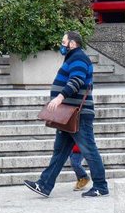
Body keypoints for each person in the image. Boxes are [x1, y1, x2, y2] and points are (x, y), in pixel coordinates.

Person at [24, 30, 109, 198]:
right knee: (60, 152)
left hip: (78, 114)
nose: (61, 45)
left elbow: (76, 81)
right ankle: (44, 185)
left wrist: (59, 97)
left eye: (64, 42)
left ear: (72, 43)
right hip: (68, 116)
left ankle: (101, 186)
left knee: (89, 150)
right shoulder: (73, 58)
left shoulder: (79, 58)